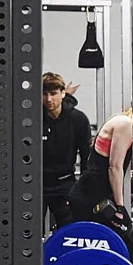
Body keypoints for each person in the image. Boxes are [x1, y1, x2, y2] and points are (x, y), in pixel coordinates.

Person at [72, 96, 133, 249]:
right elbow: (114, 167)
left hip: (97, 193)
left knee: (121, 243)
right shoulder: (126, 124)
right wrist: (120, 207)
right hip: (90, 196)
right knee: (127, 242)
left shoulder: (127, 123)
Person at [42, 73, 91, 228]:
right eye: (44, 94)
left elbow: (86, 156)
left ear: (63, 93)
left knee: (69, 231)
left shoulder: (78, 120)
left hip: (64, 183)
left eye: (53, 94)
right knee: (29, 234)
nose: (49, 99)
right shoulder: (32, 119)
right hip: (36, 184)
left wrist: (85, 189)